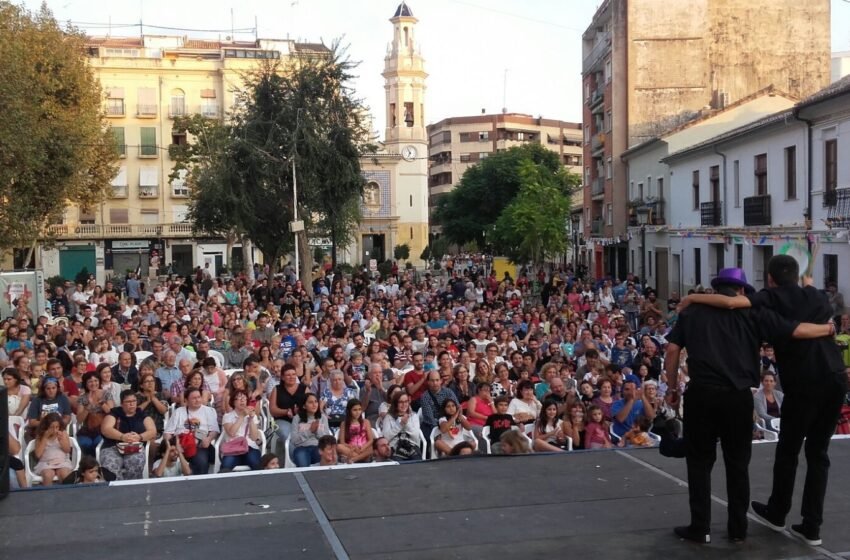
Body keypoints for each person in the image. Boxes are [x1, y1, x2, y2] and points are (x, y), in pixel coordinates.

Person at [681, 257, 847, 546]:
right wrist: (828, 329)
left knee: (789, 449)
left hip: (804, 382)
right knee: (818, 453)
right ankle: (811, 527)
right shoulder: (818, 297)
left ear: (769, 280)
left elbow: (734, 305)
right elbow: (815, 321)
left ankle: (778, 511)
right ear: (797, 277)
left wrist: (692, 297)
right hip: (834, 378)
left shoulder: (768, 301)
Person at [100, 390, 157, 480]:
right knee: (110, 464)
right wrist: (123, 437)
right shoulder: (114, 413)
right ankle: (116, 489)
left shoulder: (141, 414)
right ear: (122, 403)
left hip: (135, 447)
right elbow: (106, 429)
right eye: (128, 402)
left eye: (134, 401)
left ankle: (131, 488)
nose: (132, 404)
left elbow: (152, 431)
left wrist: (139, 437)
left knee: (135, 461)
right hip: (113, 446)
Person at [163, 387, 220, 476]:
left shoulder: (209, 411)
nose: (197, 400)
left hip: (200, 444)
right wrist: (173, 446)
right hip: (181, 444)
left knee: (201, 461)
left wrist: (209, 439)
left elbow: (214, 430)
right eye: (194, 398)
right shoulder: (179, 412)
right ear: (186, 400)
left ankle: (198, 485)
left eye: (199, 397)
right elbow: (167, 433)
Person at [219, 390, 262, 471]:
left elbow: (254, 437)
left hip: (250, 446)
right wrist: (242, 416)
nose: (242, 400)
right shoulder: (227, 416)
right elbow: (232, 433)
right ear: (233, 402)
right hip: (233, 448)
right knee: (226, 466)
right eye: (238, 398)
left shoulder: (253, 415)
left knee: (256, 463)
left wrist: (251, 419)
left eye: (244, 398)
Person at [290, 393, 331, 467]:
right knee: (303, 464)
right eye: (310, 402)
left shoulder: (322, 418)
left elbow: (327, 440)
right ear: (304, 406)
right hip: (301, 448)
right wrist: (309, 431)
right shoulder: (297, 418)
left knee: (323, 463)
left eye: (316, 401)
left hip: (318, 447)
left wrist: (317, 431)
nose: (314, 404)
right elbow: (294, 440)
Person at [32, 413, 73, 486]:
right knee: (48, 475)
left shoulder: (63, 433)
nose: (55, 430)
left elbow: (67, 450)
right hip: (46, 463)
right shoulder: (40, 436)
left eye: (57, 427)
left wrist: (61, 441)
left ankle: (66, 494)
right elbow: (38, 454)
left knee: (65, 474)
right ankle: (48, 495)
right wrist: (45, 438)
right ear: (46, 426)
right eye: (51, 427)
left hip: (62, 461)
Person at [380, 390, 422, 461]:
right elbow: (386, 437)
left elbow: (416, 436)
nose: (404, 404)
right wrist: (400, 425)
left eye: (406, 401)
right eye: (401, 402)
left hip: (411, 446)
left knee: (417, 462)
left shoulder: (413, 416)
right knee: (399, 463)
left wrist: (406, 424)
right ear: (396, 404)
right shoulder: (389, 417)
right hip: (395, 446)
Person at [336, 399, 374, 464]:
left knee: (370, 449)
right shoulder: (344, 424)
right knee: (338, 446)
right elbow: (342, 442)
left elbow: (371, 440)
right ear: (349, 411)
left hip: (364, 449)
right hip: (351, 450)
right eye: (355, 410)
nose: (358, 412)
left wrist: (362, 448)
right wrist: (353, 448)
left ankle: (354, 459)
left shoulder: (366, 422)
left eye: (359, 409)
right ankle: (362, 458)